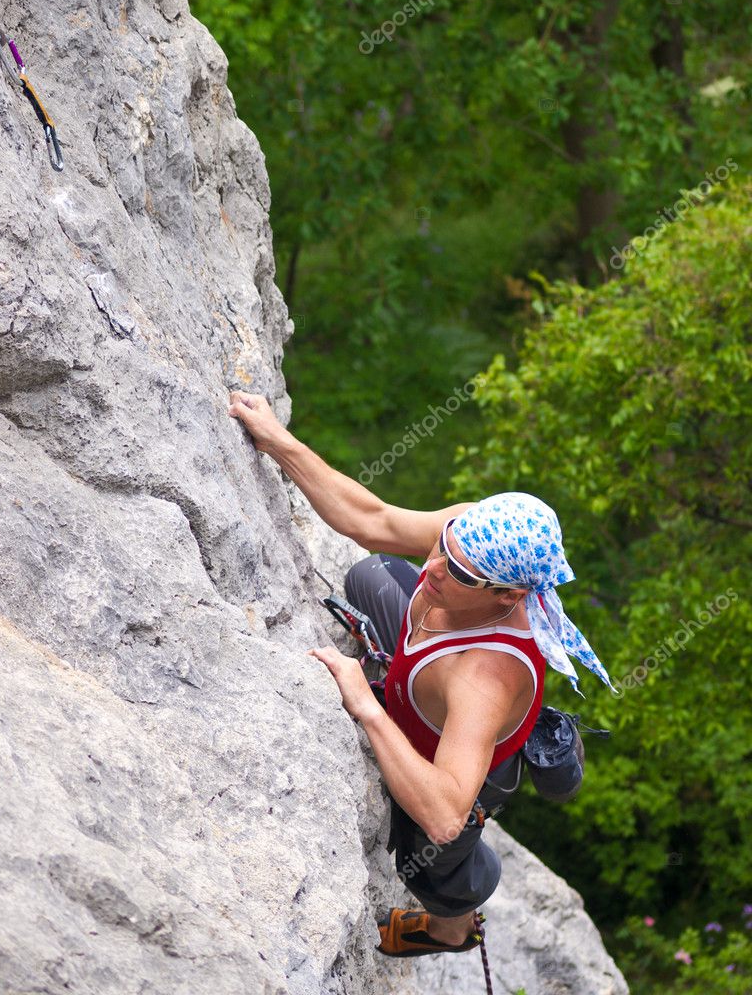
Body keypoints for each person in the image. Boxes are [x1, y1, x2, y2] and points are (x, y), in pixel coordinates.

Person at [228, 390, 617, 958]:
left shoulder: (487, 678)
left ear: (506, 594)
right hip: (428, 675)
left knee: (429, 859)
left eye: (454, 569)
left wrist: (365, 704)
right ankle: (402, 687)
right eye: (441, 548)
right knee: (370, 574)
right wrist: (278, 443)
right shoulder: (471, 534)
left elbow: (441, 815)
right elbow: (374, 520)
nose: (430, 566)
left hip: (458, 754)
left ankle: (451, 930)